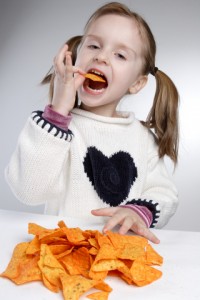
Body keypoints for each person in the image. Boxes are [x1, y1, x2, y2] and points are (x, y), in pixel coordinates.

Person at [5, 2, 179, 244]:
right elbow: (28, 191)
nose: (101, 56)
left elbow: (165, 193)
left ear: (137, 83)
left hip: (119, 255)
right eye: (94, 45)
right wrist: (58, 113)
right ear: (77, 56)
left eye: (120, 55)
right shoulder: (55, 129)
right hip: (65, 254)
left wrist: (137, 212)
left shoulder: (142, 139)